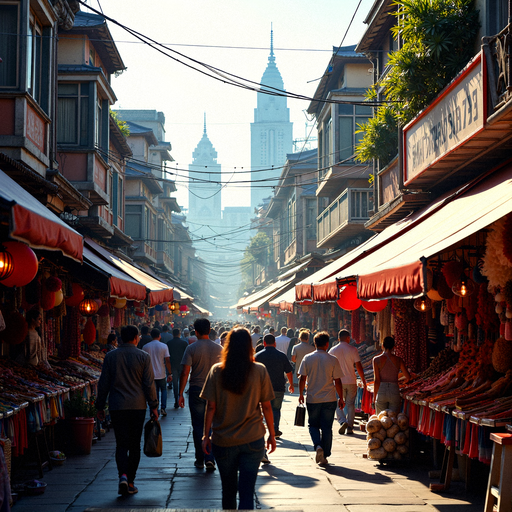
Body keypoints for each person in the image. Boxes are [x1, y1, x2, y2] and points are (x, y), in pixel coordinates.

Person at [201, 327, 276, 510]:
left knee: (228, 490)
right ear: (249, 346)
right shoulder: (259, 370)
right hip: (252, 438)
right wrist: (272, 435)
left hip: (223, 439)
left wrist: (206, 435)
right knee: (247, 490)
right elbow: (266, 406)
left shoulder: (217, 371)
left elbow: (211, 406)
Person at [96, 325, 158, 496]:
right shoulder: (143, 357)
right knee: (135, 445)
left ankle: (122, 475)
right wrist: (154, 406)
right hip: (138, 407)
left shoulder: (110, 356)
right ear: (136, 338)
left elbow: (104, 384)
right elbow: (148, 384)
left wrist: (99, 405)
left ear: (121, 338)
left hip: (117, 406)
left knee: (121, 444)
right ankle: (130, 481)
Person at [179, 318, 222, 470]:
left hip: (197, 389)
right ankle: (210, 457)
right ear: (209, 331)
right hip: (215, 391)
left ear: (195, 332)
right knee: (212, 425)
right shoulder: (219, 349)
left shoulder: (191, 348)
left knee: (198, 425)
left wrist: (180, 393)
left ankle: (199, 458)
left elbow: (185, 372)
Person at [298, 331, 344, 466]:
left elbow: (302, 378)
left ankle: (318, 445)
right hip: (329, 398)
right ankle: (325, 454)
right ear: (327, 344)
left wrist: (301, 394)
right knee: (327, 427)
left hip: (312, 398)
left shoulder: (307, 358)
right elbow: (338, 381)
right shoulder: (333, 359)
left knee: (313, 425)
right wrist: (341, 397)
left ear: (315, 343)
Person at [255, 334, 294, 440]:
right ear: (275, 343)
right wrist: (291, 384)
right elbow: (289, 371)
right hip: (278, 387)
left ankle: (262, 429)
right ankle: (275, 428)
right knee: (276, 409)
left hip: (262, 388)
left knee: (262, 409)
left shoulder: (258, 356)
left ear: (264, 343)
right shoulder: (281, 355)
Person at [329, 329, 367, 435]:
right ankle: (350, 426)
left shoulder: (332, 350)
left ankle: (342, 421)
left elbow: (329, 366)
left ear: (338, 338)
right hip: (351, 380)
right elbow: (358, 365)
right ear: (348, 338)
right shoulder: (353, 349)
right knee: (350, 404)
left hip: (337, 381)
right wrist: (363, 379)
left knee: (338, 403)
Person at [372, 336, 411, 414]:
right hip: (394, 390)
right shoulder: (398, 360)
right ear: (394, 347)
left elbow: (377, 380)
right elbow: (408, 376)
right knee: (393, 420)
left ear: (382, 345)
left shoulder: (376, 360)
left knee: (380, 419)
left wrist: (374, 396)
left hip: (381, 390)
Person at [143, 328, 172, 416]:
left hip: (150, 374)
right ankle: (163, 408)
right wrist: (170, 373)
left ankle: (155, 408)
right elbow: (167, 360)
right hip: (161, 373)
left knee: (153, 392)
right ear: (159, 336)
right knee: (163, 390)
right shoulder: (164, 346)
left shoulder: (146, 347)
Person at [167, 328, 188, 408]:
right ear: (179, 334)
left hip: (173, 365)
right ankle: (180, 397)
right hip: (182, 365)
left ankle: (176, 401)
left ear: (173, 334)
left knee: (175, 383)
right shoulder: (184, 343)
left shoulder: (169, 343)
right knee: (182, 383)